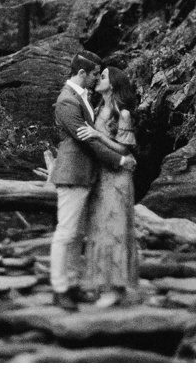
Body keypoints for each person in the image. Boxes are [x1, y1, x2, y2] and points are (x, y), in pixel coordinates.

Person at [50, 53, 135, 309]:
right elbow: (85, 139)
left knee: (76, 235)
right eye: (95, 73)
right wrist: (119, 161)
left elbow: (100, 135)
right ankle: (59, 287)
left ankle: (72, 284)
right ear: (82, 73)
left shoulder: (85, 98)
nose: (98, 77)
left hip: (88, 175)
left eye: (101, 74)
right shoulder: (66, 100)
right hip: (73, 173)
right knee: (65, 233)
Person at [83, 66, 141, 304]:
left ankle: (116, 287)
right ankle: (103, 283)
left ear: (113, 85)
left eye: (103, 76)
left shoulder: (122, 114)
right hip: (102, 175)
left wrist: (97, 136)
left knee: (116, 229)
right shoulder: (98, 108)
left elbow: (124, 148)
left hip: (118, 176)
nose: (98, 79)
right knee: (100, 227)